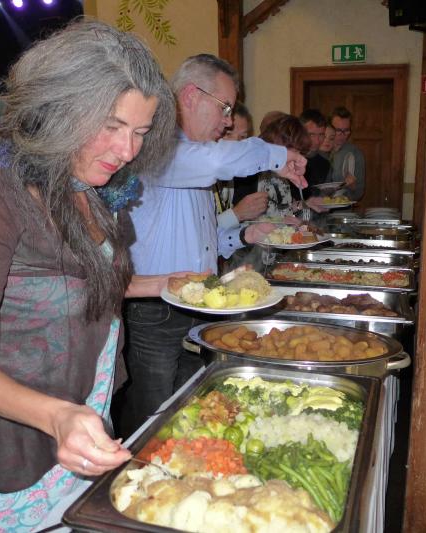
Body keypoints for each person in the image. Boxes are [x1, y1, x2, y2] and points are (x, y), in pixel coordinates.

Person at [0, 20, 180, 530]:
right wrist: (58, 416)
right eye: (111, 126)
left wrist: (164, 285)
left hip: (87, 421)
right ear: (60, 107)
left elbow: (82, 286)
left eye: (139, 132)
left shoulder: (89, 188)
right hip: (16, 444)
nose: (128, 151)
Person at [114, 54, 306, 436]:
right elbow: (217, 163)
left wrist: (244, 236)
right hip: (154, 311)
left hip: (197, 305)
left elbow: (202, 237)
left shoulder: (195, 158)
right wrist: (277, 155)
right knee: (153, 419)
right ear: (191, 95)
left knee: (192, 410)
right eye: (225, 108)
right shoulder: (155, 148)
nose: (228, 121)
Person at [233, 114, 312, 218]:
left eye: (299, 152)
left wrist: (299, 208)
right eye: (294, 152)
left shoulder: (287, 171)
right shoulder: (250, 170)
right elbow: (238, 212)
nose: (296, 159)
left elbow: (283, 208)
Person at [216, 102, 268, 228]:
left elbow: (222, 233)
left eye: (242, 137)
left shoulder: (231, 173)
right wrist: (237, 214)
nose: (236, 144)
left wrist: (248, 234)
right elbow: (200, 232)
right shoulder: (199, 177)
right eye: (228, 134)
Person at [328, 106, 365, 201]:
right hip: (317, 206)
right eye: (338, 130)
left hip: (342, 207)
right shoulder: (320, 148)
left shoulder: (355, 153)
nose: (342, 135)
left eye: (346, 130)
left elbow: (359, 193)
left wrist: (353, 186)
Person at [299, 108, 332, 192]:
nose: (317, 141)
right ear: (300, 132)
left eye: (321, 135)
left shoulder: (325, 163)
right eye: (311, 135)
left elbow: (324, 195)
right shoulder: (288, 159)